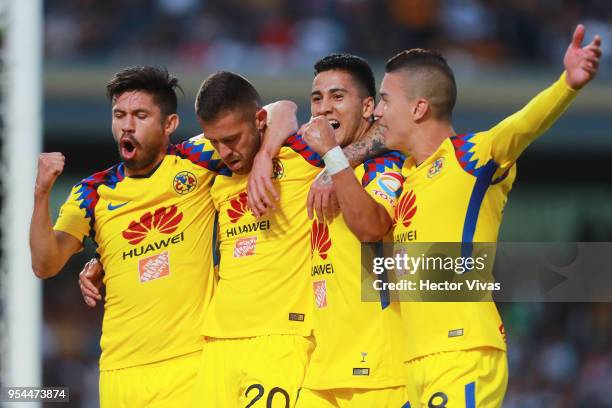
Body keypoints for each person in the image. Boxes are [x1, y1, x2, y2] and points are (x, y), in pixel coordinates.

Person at [31, 66, 296, 407]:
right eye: (119, 115)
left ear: (169, 124)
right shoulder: (92, 193)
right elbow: (45, 263)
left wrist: (263, 157)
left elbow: (283, 110)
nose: (127, 125)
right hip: (119, 370)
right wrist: (41, 193)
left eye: (140, 115)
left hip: (190, 364)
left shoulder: (196, 160)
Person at [365, 24, 600, 407]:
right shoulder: (402, 176)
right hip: (412, 362)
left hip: (462, 351)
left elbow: (522, 126)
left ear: (419, 107)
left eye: (385, 99)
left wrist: (567, 85)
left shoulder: (470, 157)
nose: (377, 109)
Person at [295, 54, 408, 406]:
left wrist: (333, 159)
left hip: (376, 371)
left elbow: (372, 228)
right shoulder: (316, 166)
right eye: (317, 99)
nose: (325, 108)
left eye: (337, 97)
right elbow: (274, 111)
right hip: (322, 369)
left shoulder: (385, 166)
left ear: (367, 107)